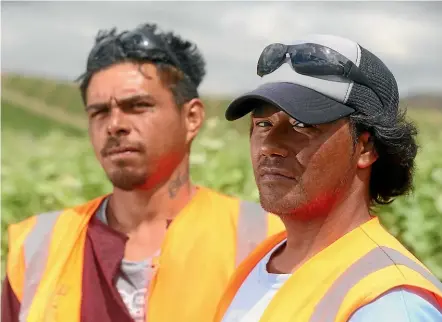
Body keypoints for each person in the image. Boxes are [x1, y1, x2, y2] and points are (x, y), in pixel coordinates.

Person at [1, 23, 284, 322]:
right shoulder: (37, 246)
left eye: (137, 106)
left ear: (191, 118)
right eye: (99, 112)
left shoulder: (266, 239)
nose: (114, 125)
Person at [214, 34, 442, 322]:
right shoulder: (260, 264)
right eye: (263, 124)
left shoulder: (391, 305)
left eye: (302, 125)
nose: (271, 145)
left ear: (365, 147)